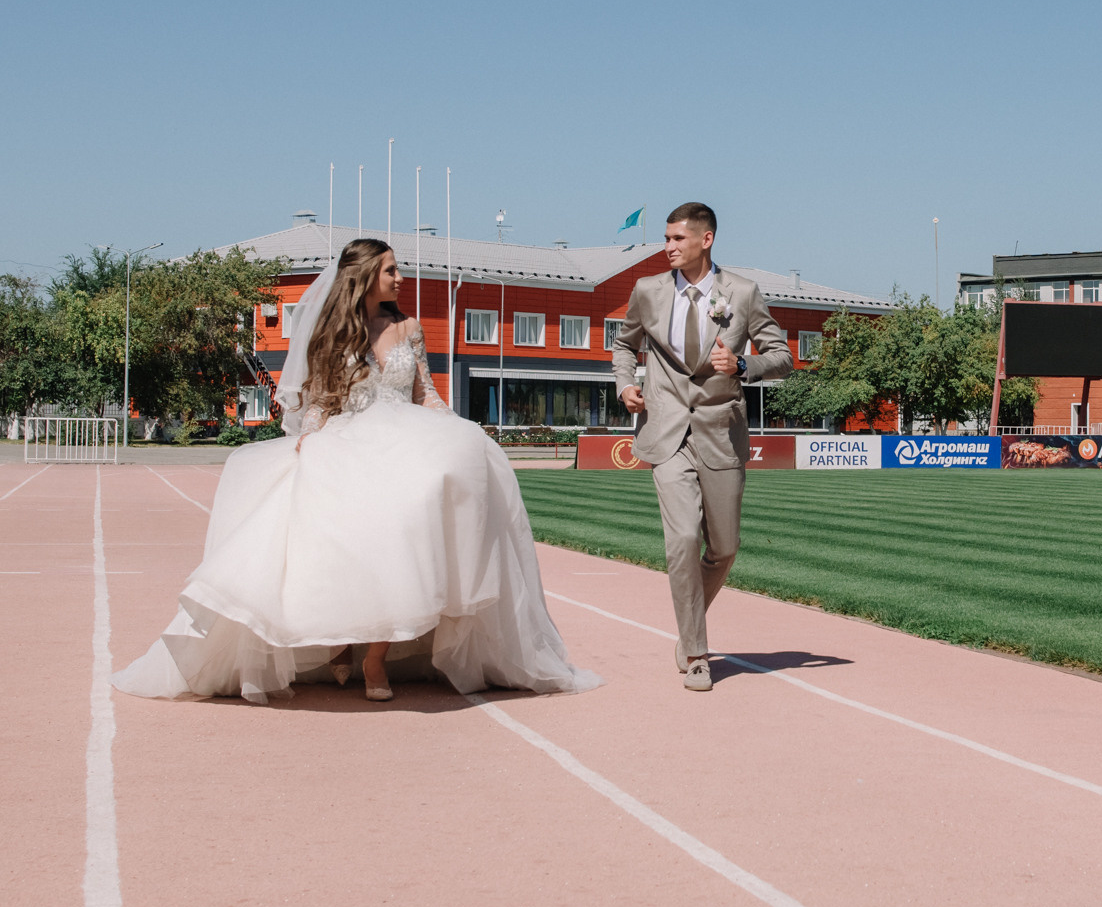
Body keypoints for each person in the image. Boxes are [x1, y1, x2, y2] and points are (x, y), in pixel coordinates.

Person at [113, 237, 599, 705]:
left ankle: (374, 657)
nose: (400, 277)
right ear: (365, 276)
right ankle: (342, 640)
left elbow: (423, 392)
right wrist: (311, 434)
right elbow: (322, 396)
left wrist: (456, 427)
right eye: (391, 270)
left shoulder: (408, 328)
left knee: (414, 510)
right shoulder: (332, 331)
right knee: (338, 523)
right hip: (349, 435)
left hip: (403, 435)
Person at [609, 202, 791, 691]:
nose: (667, 247)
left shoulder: (743, 294)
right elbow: (624, 345)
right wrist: (625, 384)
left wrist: (744, 366)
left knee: (724, 548)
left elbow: (782, 356)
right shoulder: (647, 291)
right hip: (665, 432)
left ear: (705, 240)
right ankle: (695, 652)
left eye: (676, 239)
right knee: (684, 539)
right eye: (666, 239)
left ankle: (688, 625)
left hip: (721, 433)